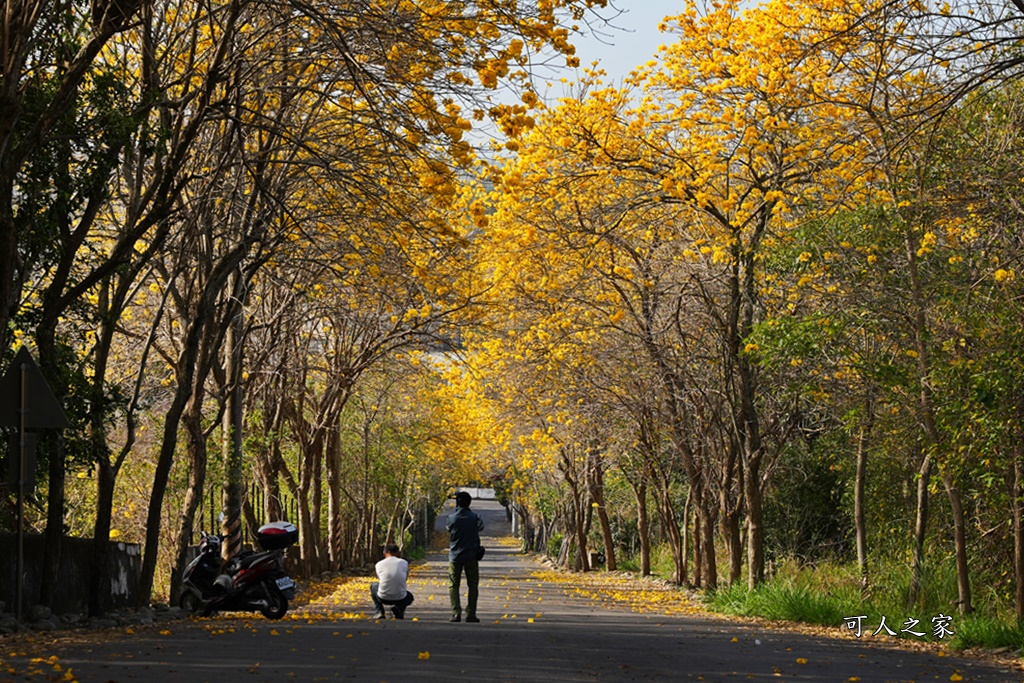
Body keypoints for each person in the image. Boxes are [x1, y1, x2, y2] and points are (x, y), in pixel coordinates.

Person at [446, 490, 484, 623]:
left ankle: (456, 613)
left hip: (455, 556)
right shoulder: (476, 517)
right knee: (473, 584)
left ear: (457, 503)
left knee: (453, 585)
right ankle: (471, 614)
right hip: (471, 555)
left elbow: (449, 529)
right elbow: (481, 528)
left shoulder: (451, 518)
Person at [370, 544, 414, 619]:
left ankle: (379, 612)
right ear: (398, 553)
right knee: (410, 597)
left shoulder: (379, 564)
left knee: (374, 586)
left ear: (384, 553)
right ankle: (399, 609)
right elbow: (405, 578)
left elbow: (381, 579)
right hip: (400, 598)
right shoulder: (404, 563)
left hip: (382, 597)